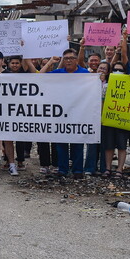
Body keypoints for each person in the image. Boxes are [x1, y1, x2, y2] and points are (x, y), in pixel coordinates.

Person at [40, 49, 89, 179]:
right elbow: (40, 76)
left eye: (71, 58)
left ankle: (78, 170)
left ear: (76, 60)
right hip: (61, 114)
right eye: (66, 58)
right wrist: (51, 61)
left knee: (77, 143)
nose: (68, 61)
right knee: (61, 144)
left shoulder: (85, 74)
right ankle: (63, 169)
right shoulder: (59, 73)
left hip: (79, 113)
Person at [102, 61, 130, 177]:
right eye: (115, 70)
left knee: (122, 145)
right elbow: (102, 102)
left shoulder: (129, 85)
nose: (117, 72)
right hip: (109, 119)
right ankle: (108, 168)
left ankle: (119, 169)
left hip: (123, 119)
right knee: (109, 145)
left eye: (120, 70)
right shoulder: (106, 86)